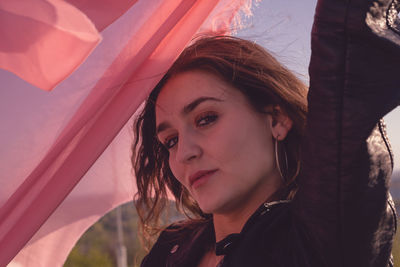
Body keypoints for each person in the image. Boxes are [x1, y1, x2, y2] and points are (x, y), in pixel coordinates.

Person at [132, 0, 400, 266]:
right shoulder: (170, 250)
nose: (184, 154)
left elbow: (347, 55)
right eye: (171, 141)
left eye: (206, 119)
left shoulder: (323, 242)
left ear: (277, 120)